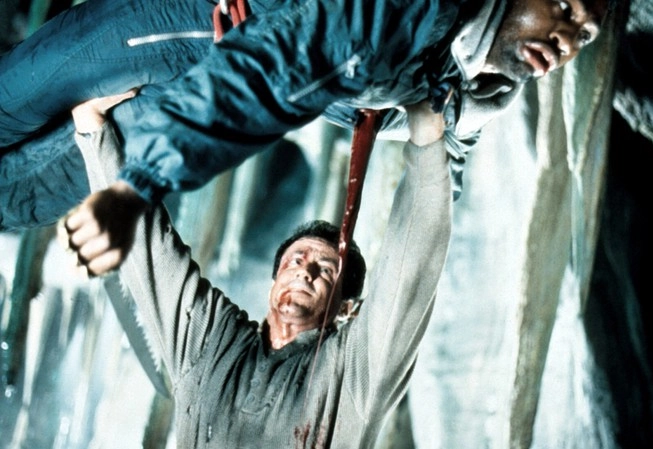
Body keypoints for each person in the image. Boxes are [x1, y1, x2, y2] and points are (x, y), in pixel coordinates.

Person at [2, 0, 610, 263]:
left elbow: (444, 168)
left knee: (16, 197)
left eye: (583, 34)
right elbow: (281, 69)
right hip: (182, 28)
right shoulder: (421, 9)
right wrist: (140, 185)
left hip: (204, 85)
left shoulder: (477, 91)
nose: (566, 38)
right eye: (562, 6)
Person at [67, 91, 452, 447]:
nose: (305, 272)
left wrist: (426, 137)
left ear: (347, 309)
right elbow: (152, 258)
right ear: (273, 280)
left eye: (325, 270)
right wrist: (94, 132)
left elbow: (407, 277)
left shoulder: (348, 377)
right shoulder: (212, 347)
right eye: (296, 260)